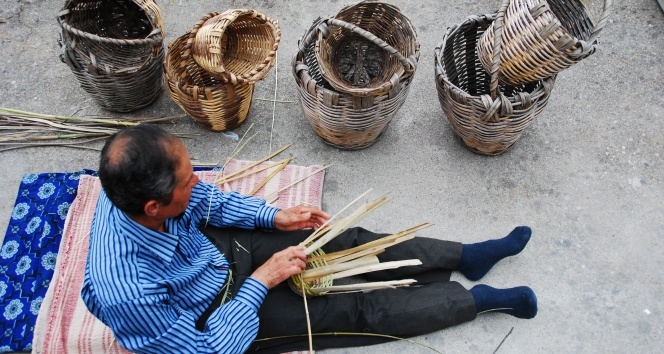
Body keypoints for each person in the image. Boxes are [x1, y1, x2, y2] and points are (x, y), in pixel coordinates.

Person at [82, 125, 538, 354]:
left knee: (335, 238)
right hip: (213, 314)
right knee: (346, 310)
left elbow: (207, 201)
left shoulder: (131, 187)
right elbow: (208, 350)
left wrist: (273, 216)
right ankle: (476, 302)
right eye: (185, 179)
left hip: (213, 255)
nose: (196, 179)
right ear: (154, 208)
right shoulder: (128, 292)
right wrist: (260, 282)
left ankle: (465, 256)